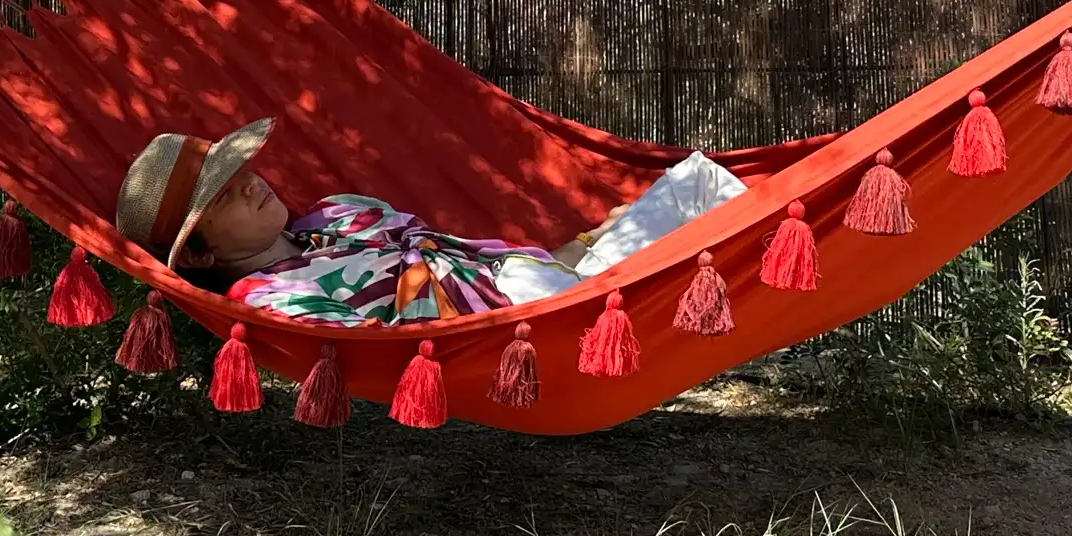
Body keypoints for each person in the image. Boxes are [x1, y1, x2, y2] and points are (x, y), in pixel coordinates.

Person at [113, 117, 747, 326]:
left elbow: (480, 259)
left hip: (547, 279)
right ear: (198, 254)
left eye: (239, 169)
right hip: (527, 320)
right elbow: (430, 323)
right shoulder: (271, 302)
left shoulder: (338, 212)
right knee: (730, 217)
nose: (251, 180)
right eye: (220, 195)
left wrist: (585, 247)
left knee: (702, 181)